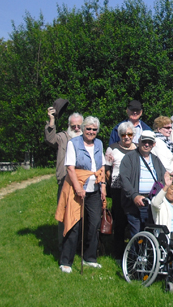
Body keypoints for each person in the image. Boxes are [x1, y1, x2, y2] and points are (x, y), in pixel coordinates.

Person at [55, 116, 106, 273]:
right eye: (88, 129)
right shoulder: (73, 143)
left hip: (94, 189)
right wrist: (78, 188)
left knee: (95, 223)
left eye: (94, 129)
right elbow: (70, 168)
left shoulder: (99, 143)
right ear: (83, 129)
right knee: (74, 224)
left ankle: (90, 257)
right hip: (77, 188)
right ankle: (66, 261)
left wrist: (103, 186)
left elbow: (101, 166)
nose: (91, 132)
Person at [119, 131, 167, 237]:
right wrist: (134, 195)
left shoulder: (155, 159)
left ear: (153, 144)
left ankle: (148, 253)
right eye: (144, 141)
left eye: (150, 142)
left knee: (151, 232)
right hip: (135, 202)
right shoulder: (129, 158)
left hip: (152, 201)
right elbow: (124, 179)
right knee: (137, 233)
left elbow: (164, 177)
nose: (146, 144)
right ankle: (134, 253)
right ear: (139, 141)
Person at [105, 121, 137, 260]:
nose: (127, 137)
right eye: (123, 134)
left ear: (133, 135)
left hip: (135, 190)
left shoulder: (138, 149)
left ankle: (133, 253)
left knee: (133, 222)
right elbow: (107, 171)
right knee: (119, 221)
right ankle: (118, 254)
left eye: (129, 134)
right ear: (119, 135)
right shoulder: (112, 149)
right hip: (118, 190)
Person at [45, 105, 83, 200]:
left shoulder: (87, 139)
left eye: (79, 126)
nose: (76, 128)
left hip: (83, 180)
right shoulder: (63, 137)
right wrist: (52, 120)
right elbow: (50, 139)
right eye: (73, 126)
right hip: (65, 180)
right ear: (68, 126)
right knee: (63, 211)